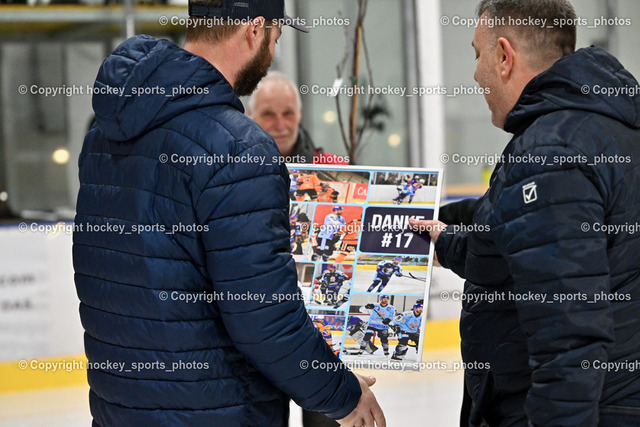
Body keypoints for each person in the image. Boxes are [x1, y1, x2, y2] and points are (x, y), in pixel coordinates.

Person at [73, 1, 386, 426]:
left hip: (121, 411)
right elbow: (265, 319)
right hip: (217, 411)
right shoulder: (238, 149)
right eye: (276, 37)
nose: (273, 52)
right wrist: (344, 396)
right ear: (254, 31)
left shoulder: (102, 136)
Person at [411, 0, 640, 425]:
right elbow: (518, 233)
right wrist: (444, 232)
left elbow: (568, 331)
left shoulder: (550, 152)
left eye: (477, 54)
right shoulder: (602, 129)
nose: (475, 74)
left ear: (504, 56)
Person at [248, 71, 348, 165]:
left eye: (288, 113)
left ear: (299, 114)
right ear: (250, 115)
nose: (280, 126)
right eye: (268, 114)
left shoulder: (334, 170)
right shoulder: (238, 168)